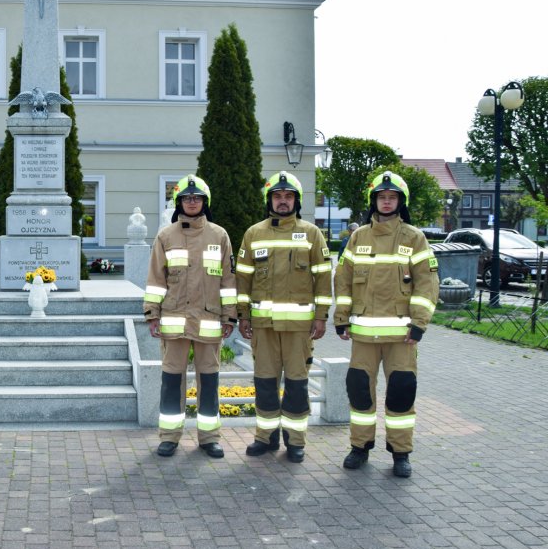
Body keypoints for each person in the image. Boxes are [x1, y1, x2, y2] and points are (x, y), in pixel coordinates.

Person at [334, 172, 439, 477]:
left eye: (392, 197)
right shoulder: (358, 237)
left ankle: (401, 453)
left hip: (401, 336)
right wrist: (341, 318)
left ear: (400, 202)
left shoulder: (414, 237)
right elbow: (343, 280)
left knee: (401, 392)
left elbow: (428, 283)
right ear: (374, 201)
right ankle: (359, 447)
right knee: (359, 392)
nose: (387, 201)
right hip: (364, 335)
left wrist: (419, 324)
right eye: (382, 197)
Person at [234, 172, 332, 463]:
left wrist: (321, 317)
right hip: (263, 326)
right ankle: (265, 438)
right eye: (278, 196)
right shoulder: (253, 234)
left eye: (288, 196)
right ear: (270, 200)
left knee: (297, 385)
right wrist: (243, 316)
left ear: (296, 201)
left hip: (299, 328)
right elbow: (243, 280)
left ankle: (296, 441)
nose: (283, 201)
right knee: (264, 383)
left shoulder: (312, 233)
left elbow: (323, 279)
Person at [143, 175, 237, 458]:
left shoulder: (219, 236)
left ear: (204, 202)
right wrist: (152, 314)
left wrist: (230, 316)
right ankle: (169, 436)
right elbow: (155, 280)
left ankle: (209, 438)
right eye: (186, 198)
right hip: (173, 320)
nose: (192, 202)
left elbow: (228, 281)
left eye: (196, 198)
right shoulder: (165, 236)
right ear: (178, 202)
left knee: (209, 380)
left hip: (209, 322)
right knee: (172, 380)